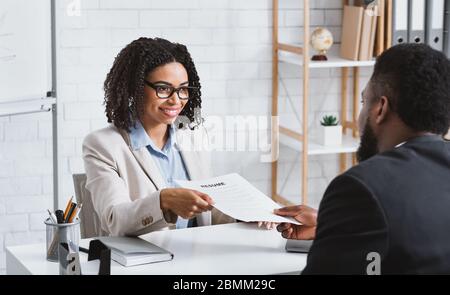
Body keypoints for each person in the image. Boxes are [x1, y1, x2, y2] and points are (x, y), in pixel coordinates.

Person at [275, 44, 450, 274]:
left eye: (363, 102)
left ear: (380, 109)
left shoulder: (361, 188)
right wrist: (335, 227)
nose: (359, 116)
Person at [82, 37, 234, 236]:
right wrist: (164, 201)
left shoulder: (193, 135)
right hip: (146, 263)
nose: (176, 100)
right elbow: (115, 221)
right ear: (135, 87)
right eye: (163, 88)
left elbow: (209, 210)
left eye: (183, 89)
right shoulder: (102, 145)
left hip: (198, 257)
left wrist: (249, 215)